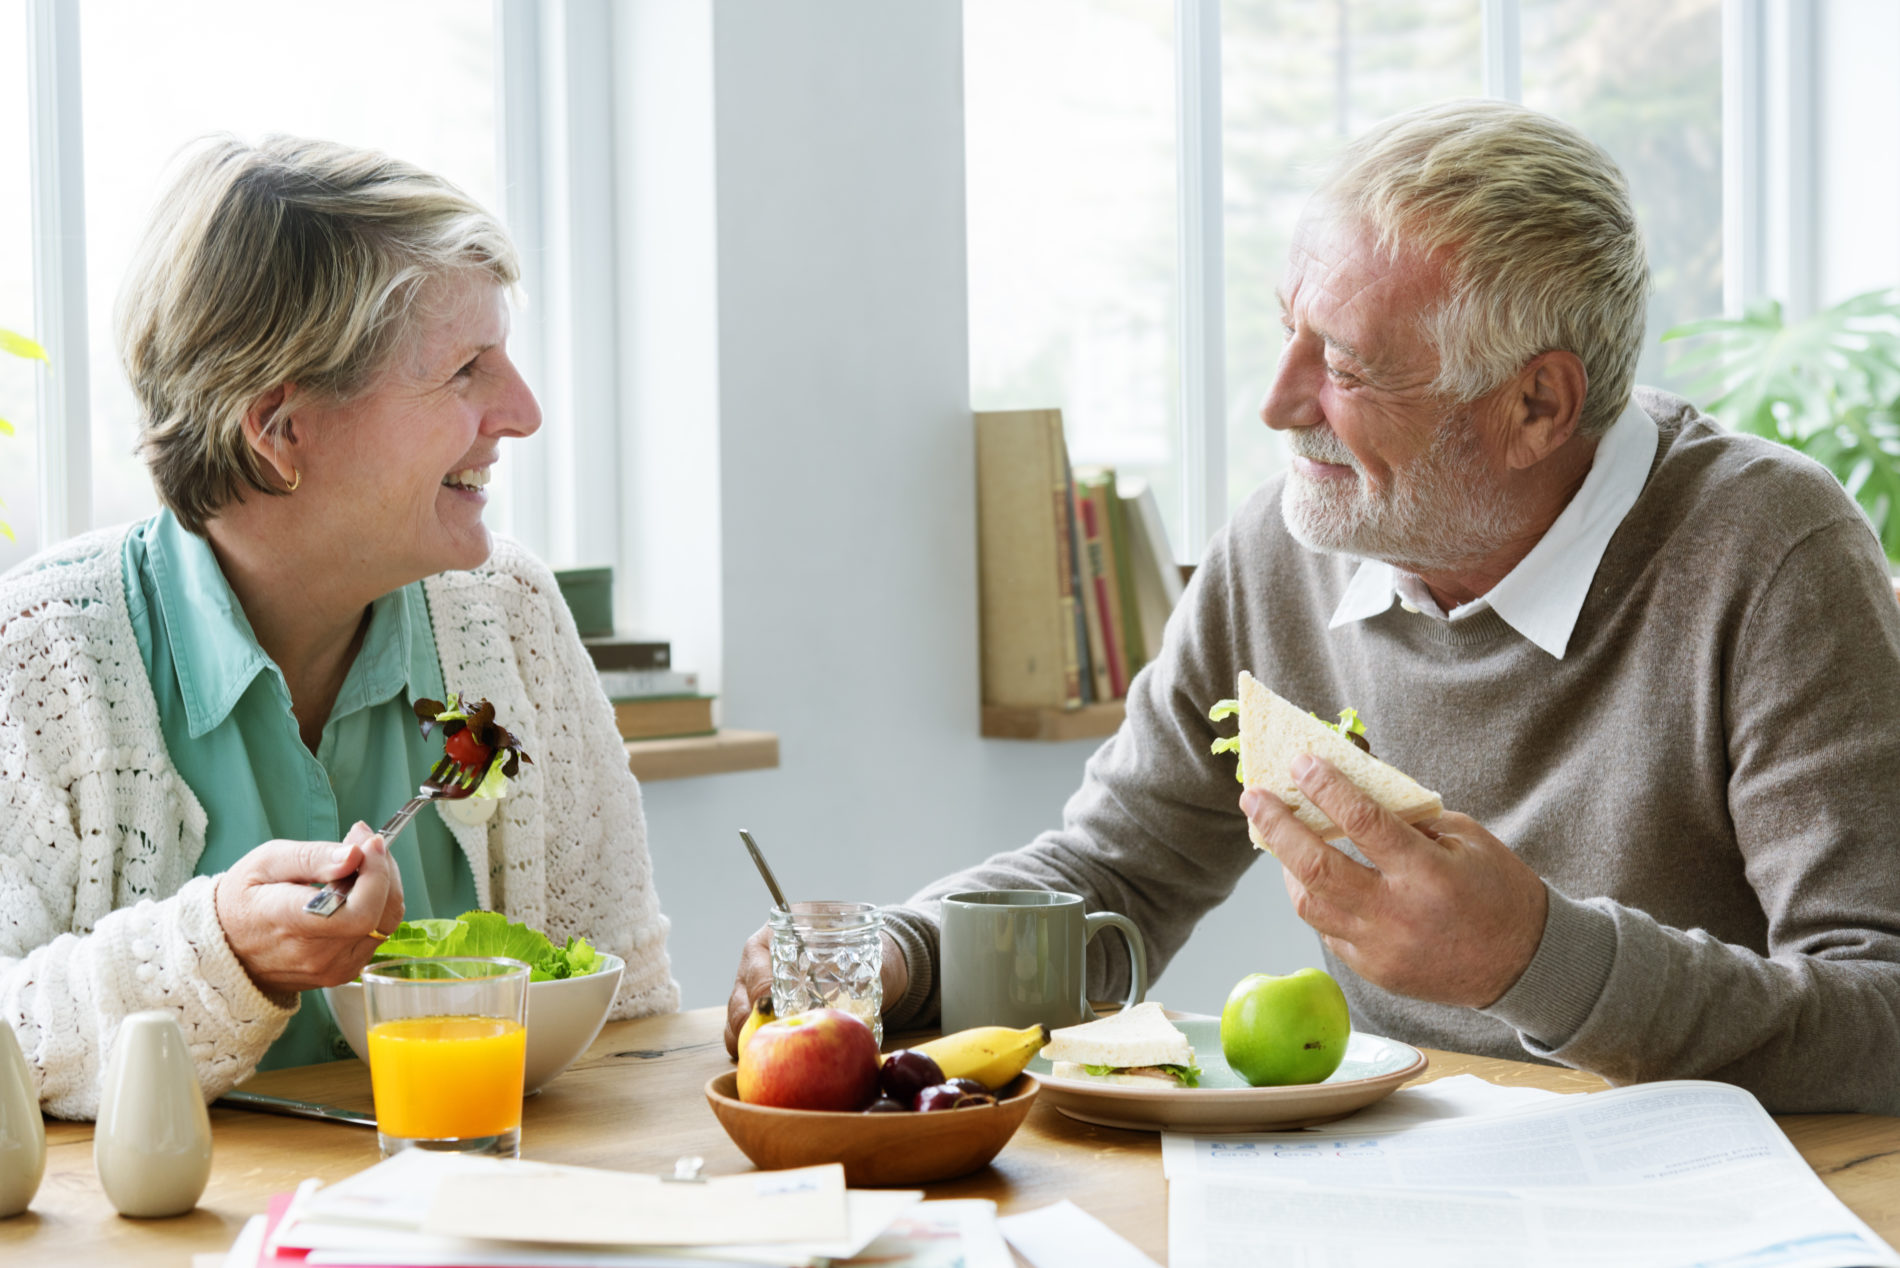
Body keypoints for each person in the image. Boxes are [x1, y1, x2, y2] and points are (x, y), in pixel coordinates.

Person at [724, 100, 1900, 1114]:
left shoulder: (1770, 552)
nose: (1279, 404)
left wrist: (1533, 958)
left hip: (1725, 1200)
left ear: (1537, 404)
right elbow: (1116, 869)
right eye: (1286, 330)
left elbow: (1881, 1012)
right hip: (1390, 1172)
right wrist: (902, 949)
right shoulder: (1283, 545)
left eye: (1341, 363)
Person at [0, 136, 677, 1119]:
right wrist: (220, 951)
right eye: (464, 370)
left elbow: (628, 1021)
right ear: (280, 433)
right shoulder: (40, 655)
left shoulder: (512, 615)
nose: (522, 411)